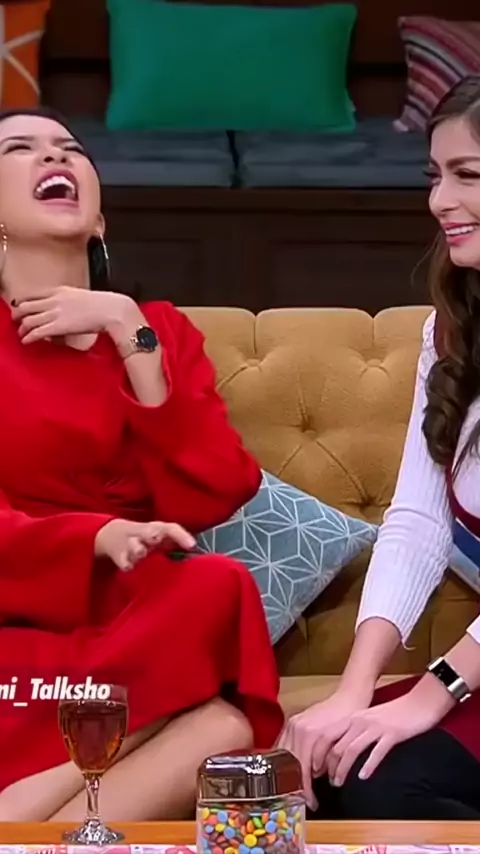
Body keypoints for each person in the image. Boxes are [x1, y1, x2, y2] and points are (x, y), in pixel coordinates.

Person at [0, 107, 284, 821]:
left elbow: (216, 488)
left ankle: (20, 826)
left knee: (217, 591)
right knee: (222, 727)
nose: (55, 157)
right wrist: (93, 536)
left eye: (70, 148)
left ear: (99, 219)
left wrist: (128, 329)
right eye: (20, 149)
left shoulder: (159, 330)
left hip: (141, 613)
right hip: (21, 614)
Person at [279, 75, 480, 821]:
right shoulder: (451, 330)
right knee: (341, 764)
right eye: (434, 176)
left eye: (467, 175)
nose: (439, 201)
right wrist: (354, 692)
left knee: (387, 780)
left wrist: (432, 694)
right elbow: (419, 523)